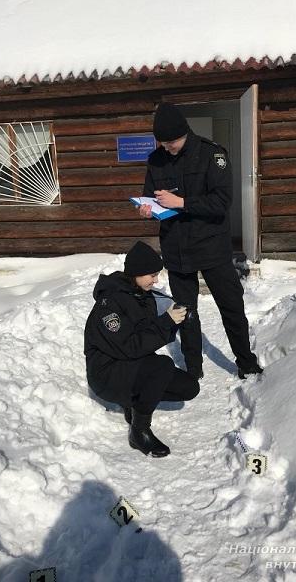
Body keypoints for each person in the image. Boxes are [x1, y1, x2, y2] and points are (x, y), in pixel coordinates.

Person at [139, 102, 263, 381]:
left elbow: (222, 201)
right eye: (163, 142)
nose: (167, 147)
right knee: (186, 312)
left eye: (171, 141)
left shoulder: (211, 155)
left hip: (211, 246)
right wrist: (147, 208)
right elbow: (150, 196)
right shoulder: (156, 160)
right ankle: (193, 368)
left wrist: (182, 203)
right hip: (176, 247)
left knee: (230, 305)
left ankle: (246, 362)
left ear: (184, 133)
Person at [84, 240, 200, 458]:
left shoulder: (142, 295)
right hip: (107, 374)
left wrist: (175, 320)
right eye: (152, 275)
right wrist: (166, 321)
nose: (156, 280)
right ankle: (139, 431)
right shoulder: (110, 304)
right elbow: (130, 346)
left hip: (129, 365)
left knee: (189, 388)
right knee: (162, 365)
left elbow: (148, 336)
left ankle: (134, 402)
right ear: (136, 272)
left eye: (157, 274)